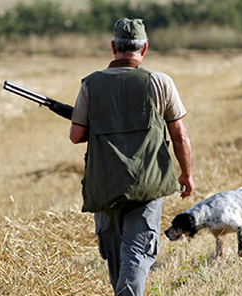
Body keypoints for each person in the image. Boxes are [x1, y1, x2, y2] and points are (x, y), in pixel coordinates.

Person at [69, 17, 194, 296]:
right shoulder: (160, 82)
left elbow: (76, 136)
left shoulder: (91, 84)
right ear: (145, 48)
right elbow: (180, 136)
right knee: (135, 256)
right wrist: (186, 174)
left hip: (104, 185)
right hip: (146, 186)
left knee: (116, 258)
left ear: (114, 47)